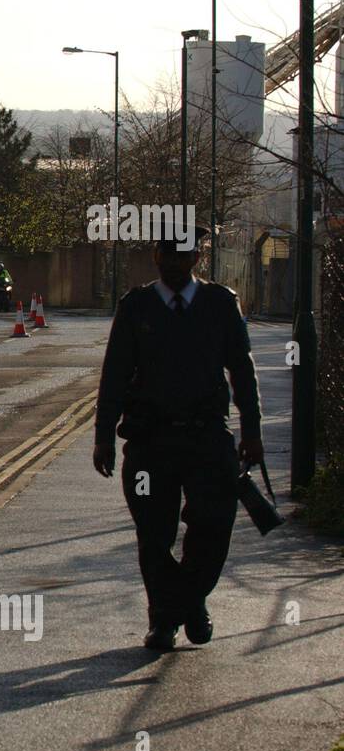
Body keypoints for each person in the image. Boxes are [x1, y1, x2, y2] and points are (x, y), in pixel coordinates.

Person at [92, 226, 263, 651]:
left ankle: (189, 602)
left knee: (213, 527)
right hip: (150, 443)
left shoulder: (220, 305)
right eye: (166, 254)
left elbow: (241, 371)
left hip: (207, 440)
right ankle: (163, 621)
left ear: (197, 259)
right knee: (154, 536)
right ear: (156, 257)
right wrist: (103, 438)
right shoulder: (136, 308)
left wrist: (253, 432)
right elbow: (114, 375)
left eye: (182, 255)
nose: (173, 262)